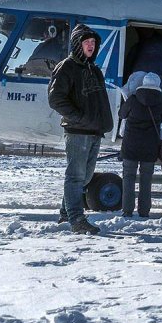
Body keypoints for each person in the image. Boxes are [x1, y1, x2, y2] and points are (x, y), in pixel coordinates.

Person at [48, 24, 113, 235]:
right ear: (78, 44)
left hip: (94, 131)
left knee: (85, 177)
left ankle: (65, 214)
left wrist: (103, 123)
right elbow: (56, 98)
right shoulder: (66, 67)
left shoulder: (93, 69)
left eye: (93, 42)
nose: (91, 46)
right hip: (77, 131)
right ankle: (77, 219)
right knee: (75, 176)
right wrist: (79, 118)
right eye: (87, 42)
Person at [120, 72, 162, 219]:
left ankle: (127, 211)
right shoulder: (160, 102)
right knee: (146, 180)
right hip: (150, 147)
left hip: (130, 145)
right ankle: (144, 212)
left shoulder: (133, 99)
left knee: (128, 178)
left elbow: (122, 114)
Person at [125, 29, 162, 102]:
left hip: (137, 74)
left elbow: (129, 60)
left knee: (134, 102)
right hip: (160, 75)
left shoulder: (142, 43)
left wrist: (125, 79)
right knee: (159, 104)